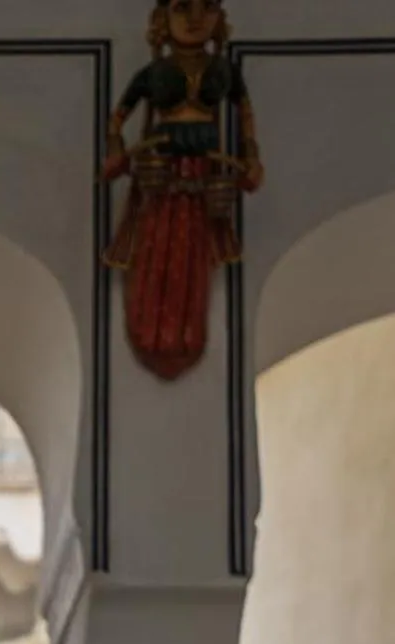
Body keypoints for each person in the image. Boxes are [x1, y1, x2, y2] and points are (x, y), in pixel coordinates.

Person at [105, 0, 263, 381]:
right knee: (157, 245)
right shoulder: (154, 71)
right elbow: (117, 120)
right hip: (159, 170)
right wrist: (116, 154)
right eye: (182, 8)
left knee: (194, 251)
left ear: (219, 19)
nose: (195, 19)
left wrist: (252, 159)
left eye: (207, 8)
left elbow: (245, 117)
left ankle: (185, 332)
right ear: (163, 19)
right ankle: (153, 328)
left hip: (205, 171)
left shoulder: (223, 70)